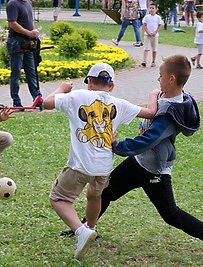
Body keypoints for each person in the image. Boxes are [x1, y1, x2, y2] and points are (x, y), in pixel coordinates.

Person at [100, 54, 203, 261]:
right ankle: (84, 229)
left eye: (160, 75)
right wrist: (155, 95)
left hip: (153, 170)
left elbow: (147, 140)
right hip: (138, 162)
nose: (158, 79)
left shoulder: (170, 115)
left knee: (171, 214)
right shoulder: (172, 95)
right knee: (105, 191)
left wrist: (116, 145)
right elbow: (156, 98)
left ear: (172, 79)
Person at [42, 62, 158, 260]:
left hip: (79, 165)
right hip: (103, 168)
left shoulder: (77, 96)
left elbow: (46, 103)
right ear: (111, 86)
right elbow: (151, 113)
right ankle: (91, 227)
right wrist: (154, 94)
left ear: (89, 82)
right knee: (94, 196)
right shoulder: (119, 103)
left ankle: (81, 231)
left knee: (59, 199)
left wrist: (61, 88)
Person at [6, 0, 42, 110]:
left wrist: (33, 33)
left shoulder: (28, 3)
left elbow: (28, 21)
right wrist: (29, 33)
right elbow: (13, 23)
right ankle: (16, 101)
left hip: (29, 43)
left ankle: (37, 98)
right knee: (16, 73)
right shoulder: (12, 4)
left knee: (32, 72)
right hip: (17, 42)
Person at [141, 2, 163, 68]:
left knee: (154, 49)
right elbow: (144, 25)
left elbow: (159, 25)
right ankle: (144, 61)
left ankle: (153, 61)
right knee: (146, 48)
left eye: (153, 8)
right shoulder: (147, 17)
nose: (151, 10)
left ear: (156, 9)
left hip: (155, 35)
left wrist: (155, 32)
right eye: (150, 8)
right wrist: (148, 32)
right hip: (147, 35)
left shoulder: (158, 17)